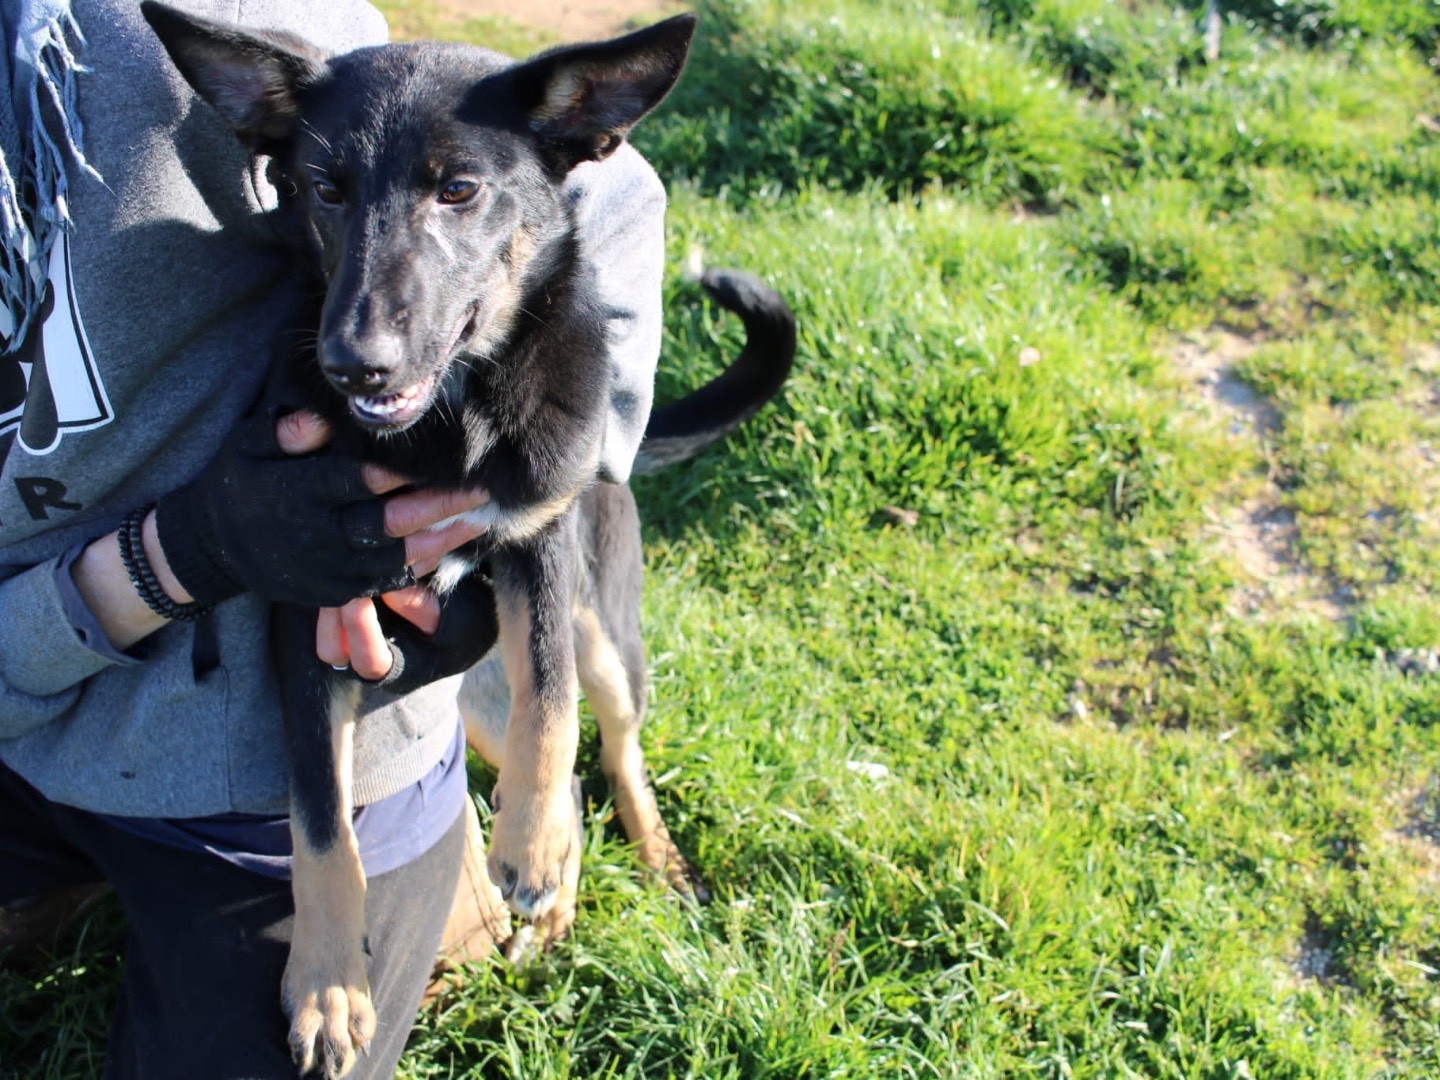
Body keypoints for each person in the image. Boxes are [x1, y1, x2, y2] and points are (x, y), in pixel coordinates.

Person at [0, 1, 668, 1077]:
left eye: (452, 193)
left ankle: (519, 808)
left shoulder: (209, 37)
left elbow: (609, 191)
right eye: (334, 193)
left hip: (242, 757)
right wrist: (176, 556)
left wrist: (567, 443)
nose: (361, 328)